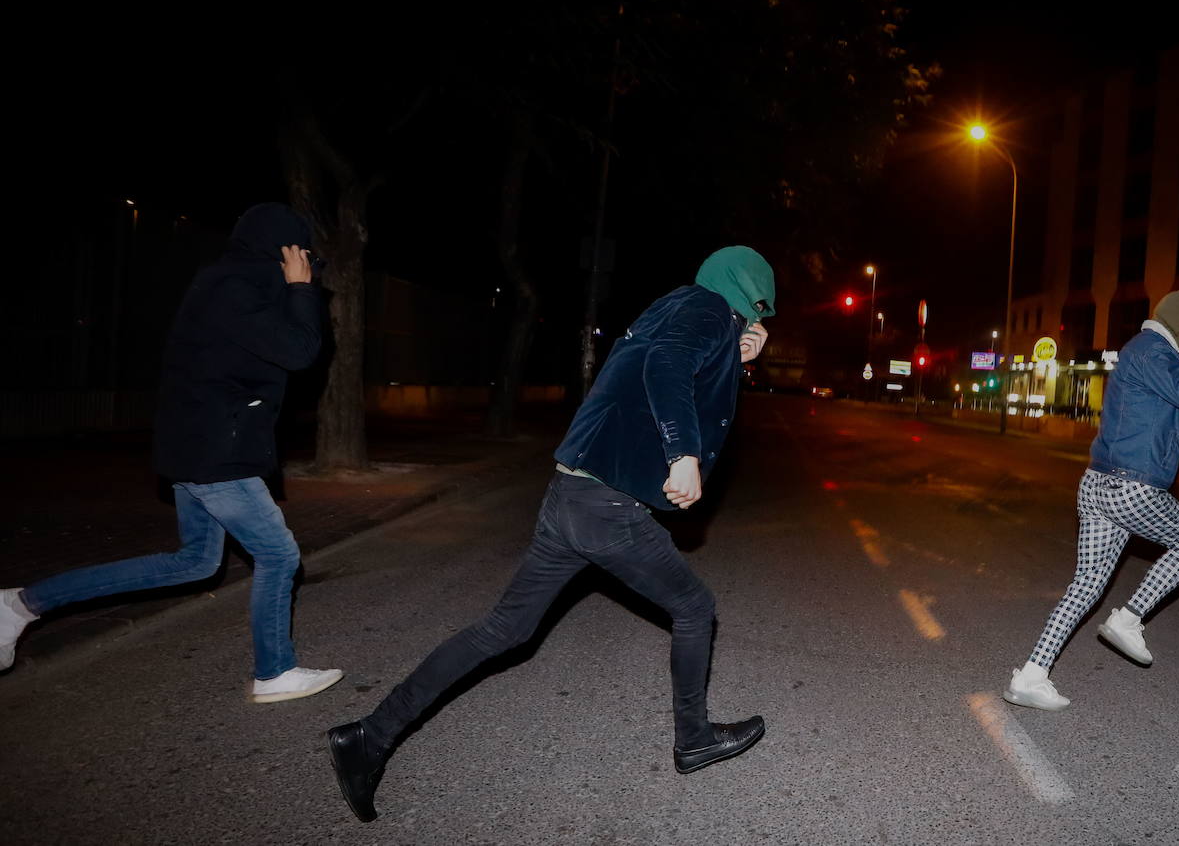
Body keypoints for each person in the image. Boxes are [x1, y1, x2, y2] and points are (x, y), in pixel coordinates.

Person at [327, 246, 776, 823]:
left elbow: (679, 369)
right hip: (605, 506)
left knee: (504, 628)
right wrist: (682, 451)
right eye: (760, 311)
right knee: (694, 607)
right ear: (751, 295)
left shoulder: (684, 306)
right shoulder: (708, 308)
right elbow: (666, 366)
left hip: (571, 493)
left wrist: (736, 360)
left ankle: (368, 735)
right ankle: (694, 740)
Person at [0, 203, 343, 703]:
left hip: (200, 447)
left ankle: (20, 605)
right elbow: (300, 350)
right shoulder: (238, 287)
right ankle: (275, 672)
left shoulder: (228, 283)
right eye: (304, 252)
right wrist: (300, 288)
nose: (309, 262)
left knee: (196, 563)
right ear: (287, 249)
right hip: (216, 453)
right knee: (278, 553)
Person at [1002, 291, 1179, 711]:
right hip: (1132, 487)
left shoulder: (1147, 356)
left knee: (1086, 586)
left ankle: (1031, 675)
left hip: (1099, 485)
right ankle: (1129, 618)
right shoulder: (1154, 352)